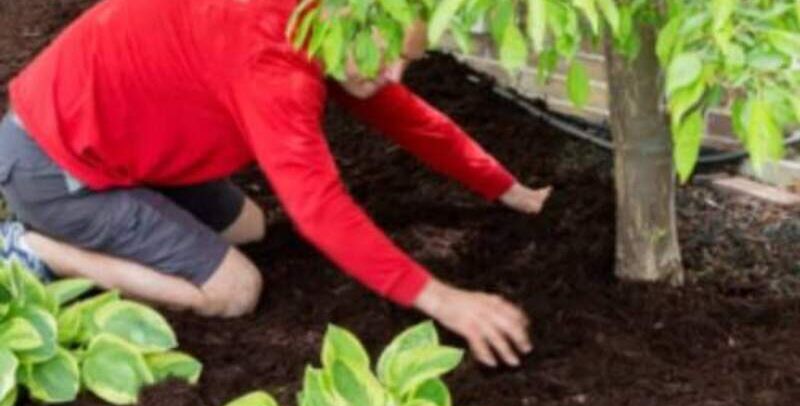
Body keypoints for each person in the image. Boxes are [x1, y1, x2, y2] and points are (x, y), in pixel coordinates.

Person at [0, 0, 552, 368]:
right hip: (53, 166)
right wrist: (443, 300)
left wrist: (507, 189)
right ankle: (36, 249)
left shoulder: (327, 21)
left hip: (111, 140)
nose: (394, 75)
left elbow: (407, 117)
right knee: (234, 291)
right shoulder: (276, 67)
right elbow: (319, 207)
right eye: (389, 58)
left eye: (406, 59)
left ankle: (105, 217)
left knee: (251, 227)